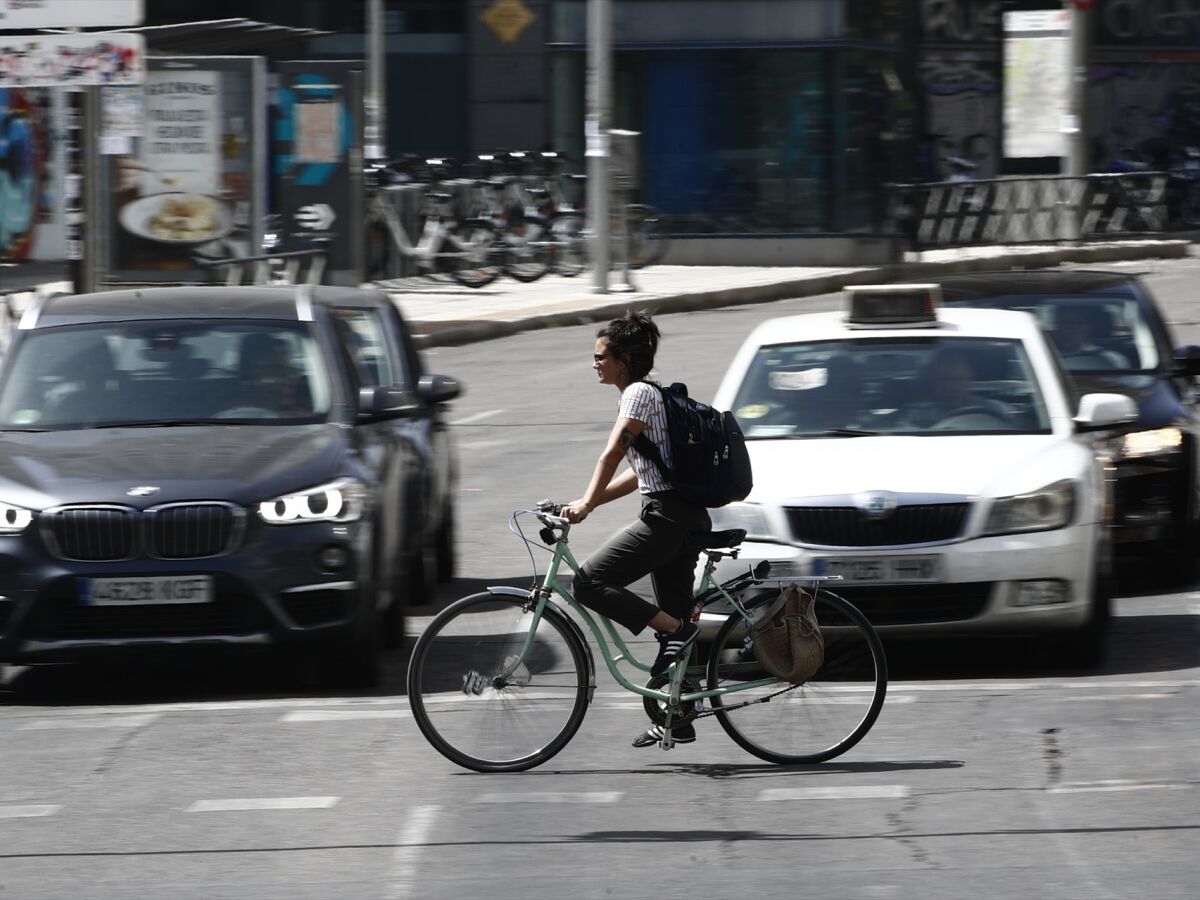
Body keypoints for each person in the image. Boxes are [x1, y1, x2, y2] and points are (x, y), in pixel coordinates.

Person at [563, 310, 711, 749]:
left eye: (600, 356)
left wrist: (587, 503)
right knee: (675, 619)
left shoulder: (637, 396)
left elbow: (611, 456)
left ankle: (678, 633)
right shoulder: (650, 393)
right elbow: (638, 475)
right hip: (682, 515)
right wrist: (584, 501)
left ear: (624, 359)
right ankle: (679, 718)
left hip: (667, 519)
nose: (595, 364)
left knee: (588, 582)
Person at [1052, 305, 1126, 369]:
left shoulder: (1110, 359)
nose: (1067, 330)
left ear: (1089, 327)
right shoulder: (1045, 355)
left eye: (1073, 324)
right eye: (1062, 324)